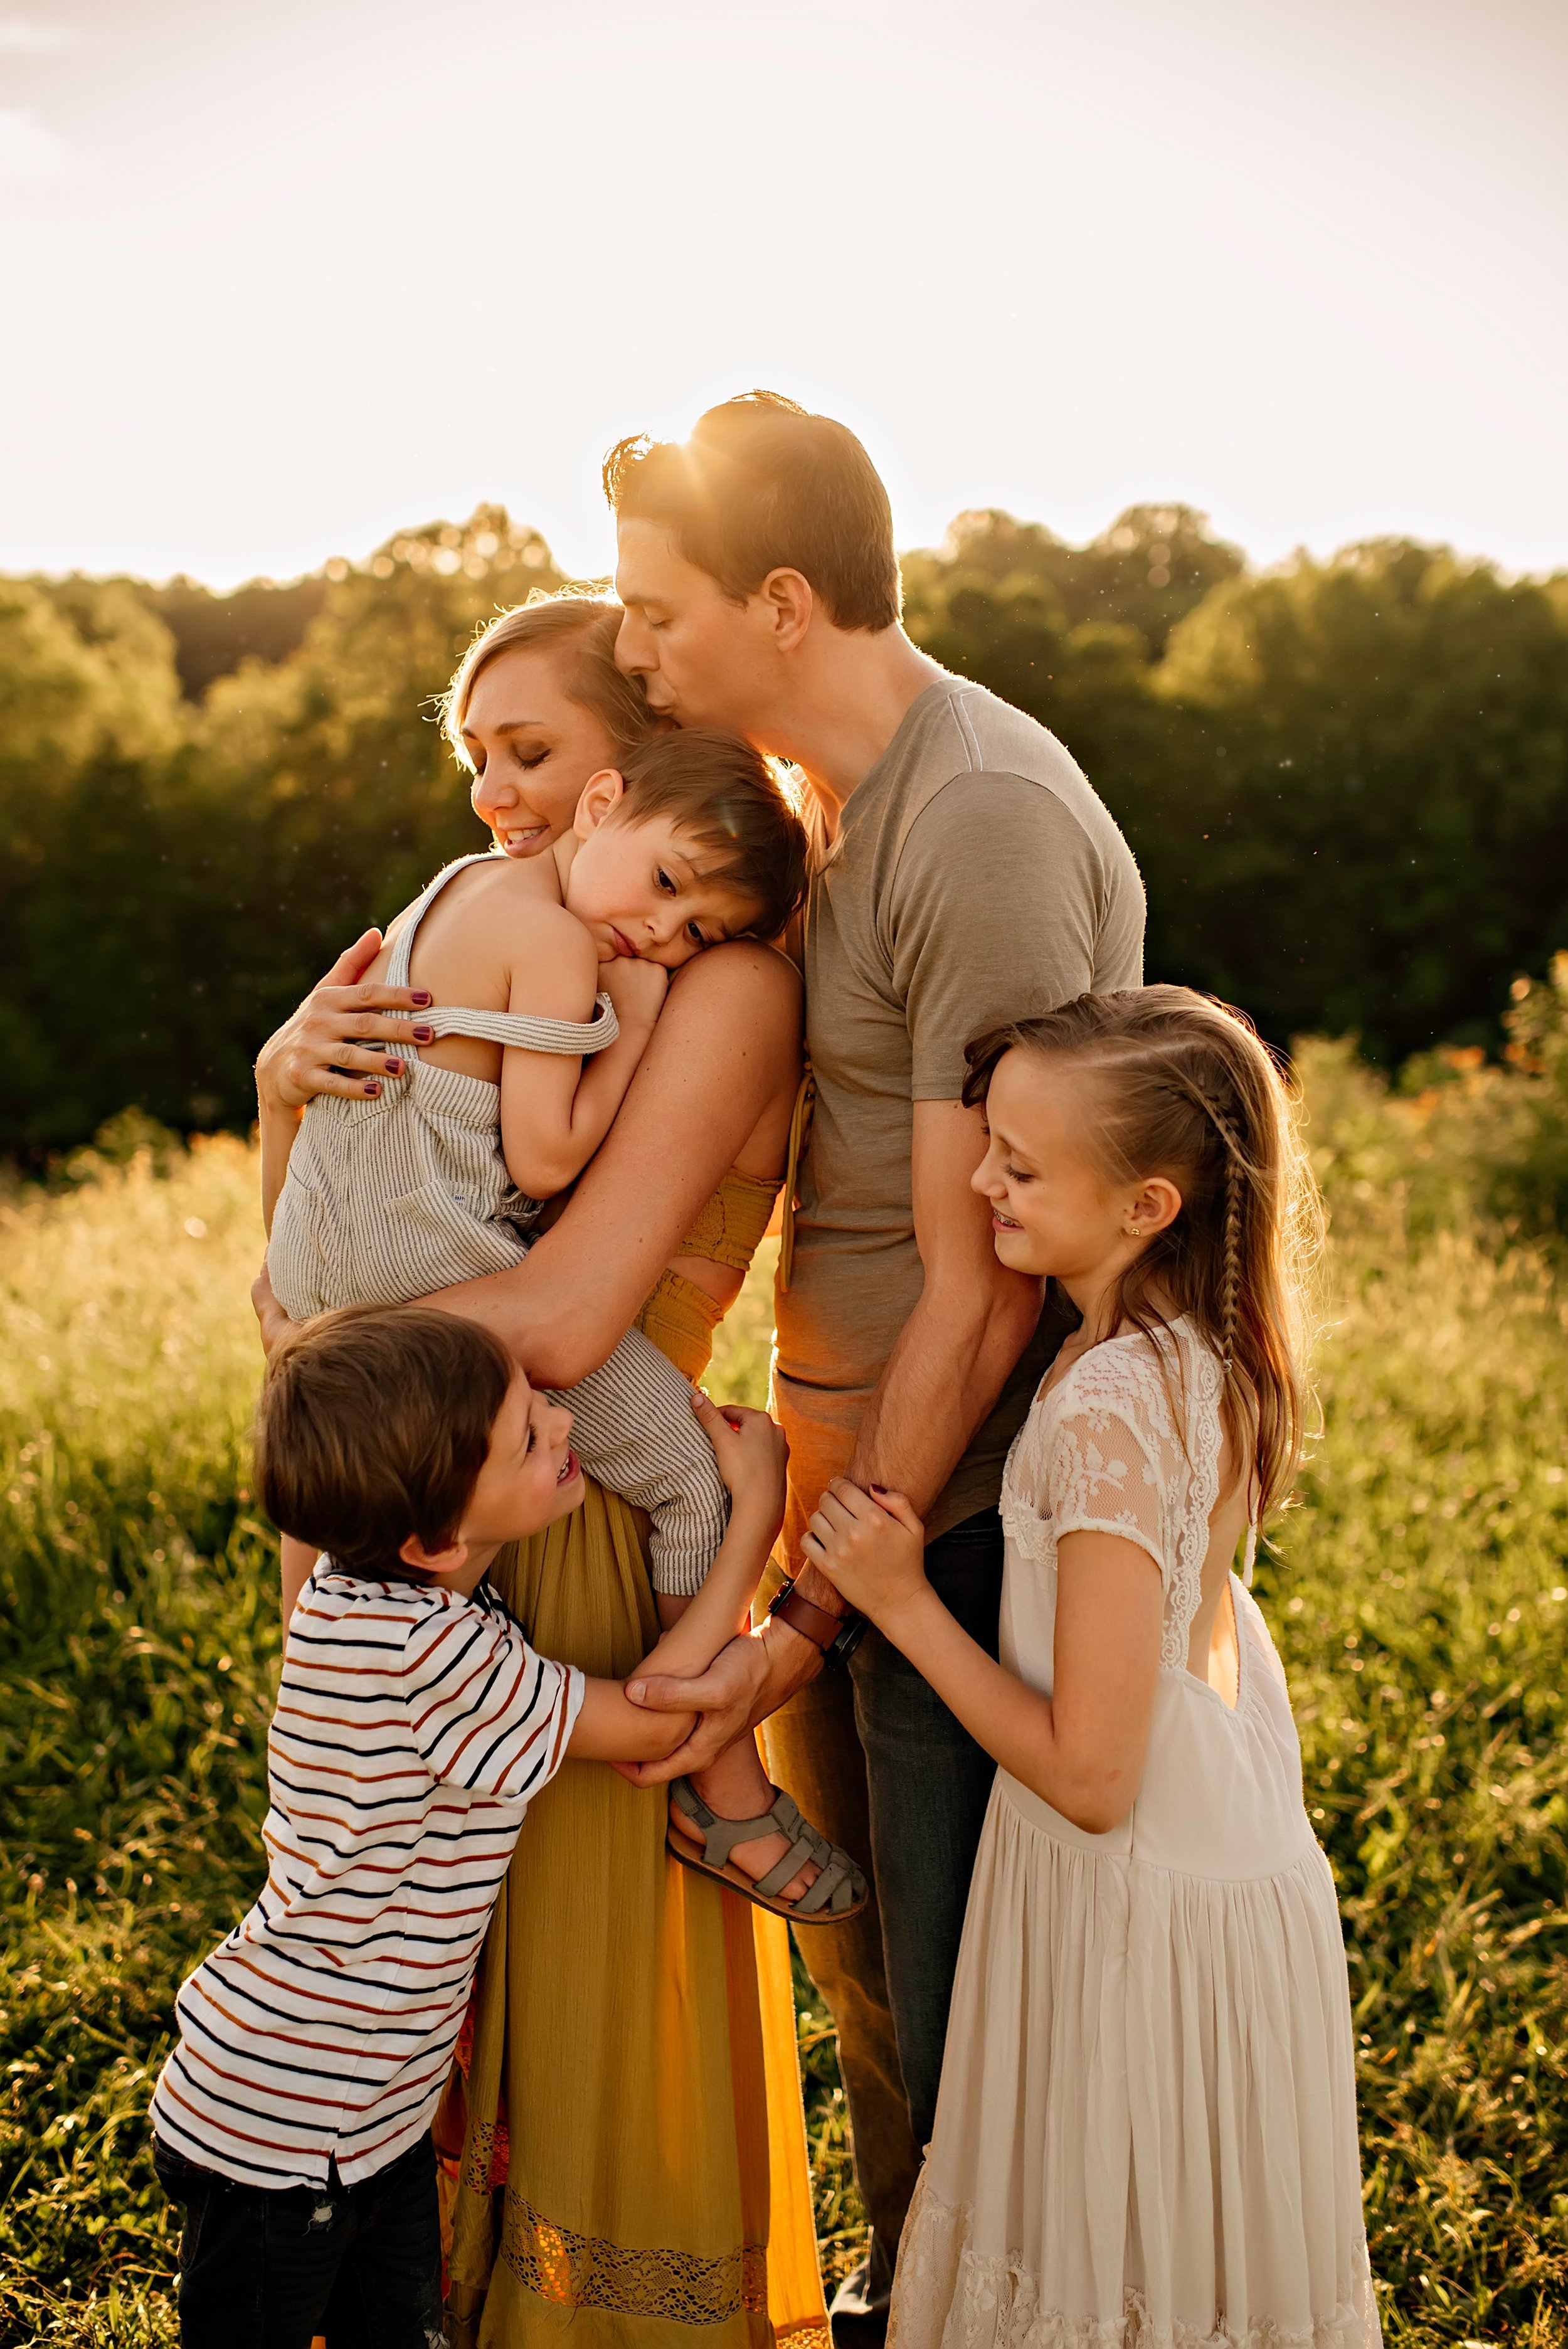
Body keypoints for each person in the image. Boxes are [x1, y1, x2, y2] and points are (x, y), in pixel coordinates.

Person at [597, 393, 1145, 2340]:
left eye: (655, 615)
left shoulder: (974, 819)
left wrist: (819, 1612)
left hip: (963, 1516)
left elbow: (980, 1283)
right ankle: (912, 2290)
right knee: (883, 1983)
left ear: (777, 597)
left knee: (944, 1977)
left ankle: (973, 2309)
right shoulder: (830, 807)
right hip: (859, 1484)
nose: (633, 654)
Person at [251, 591, 835, 2348]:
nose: (500, 802)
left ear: (633, 773)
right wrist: (279, 1076)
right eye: (477, 758)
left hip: (562, 1498)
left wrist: (322, 1373)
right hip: (439, 1489)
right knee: (395, 1951)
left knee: (567, 1988)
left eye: (541, 755)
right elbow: (289, 1249)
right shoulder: (501, 942)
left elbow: (570, 1319)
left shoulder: (709, 978)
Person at [805, 987, 1380, 2349]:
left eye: (1020, 1163)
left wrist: (895, 1599)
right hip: (1210, 1843)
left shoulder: (1112, 1404)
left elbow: (1091, 1773)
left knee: (1105, 2254)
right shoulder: (1193, 1355)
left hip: (1131, 1885)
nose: (980, 1179)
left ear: (1144, 1208)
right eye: (986, 1142)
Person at [151, 1302, 790, 2349]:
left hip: (365, 2116)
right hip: (288, 2133)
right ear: (437, 1537)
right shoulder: (436, 1662)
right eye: (528, 1435)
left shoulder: (360, 1592)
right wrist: (750, 1514)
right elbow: (653, 1714)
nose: (563, 1419)